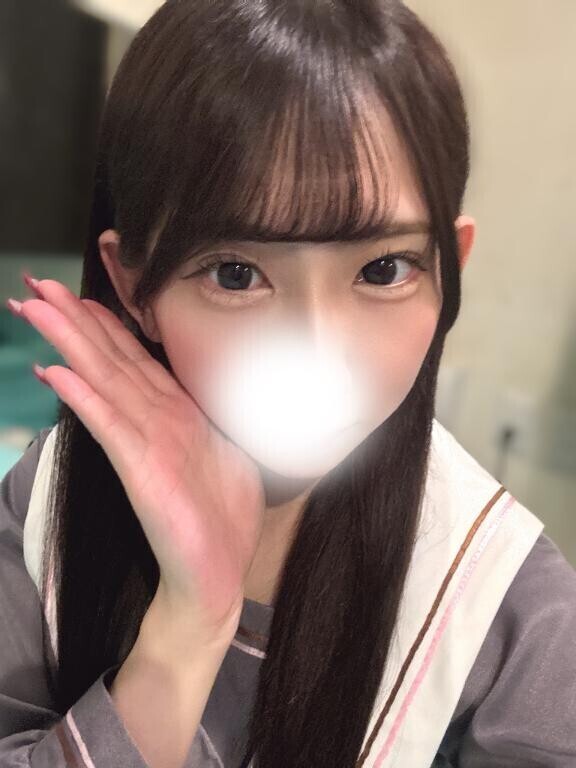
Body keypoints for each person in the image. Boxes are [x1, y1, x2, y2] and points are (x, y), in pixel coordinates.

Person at [1, 1, 575, 767]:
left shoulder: (511, 606)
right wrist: (186, 627)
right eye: (236, 274)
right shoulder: (43, 501)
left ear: (449, 270)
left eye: (383, 269)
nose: (319, 350)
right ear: (134, 288)